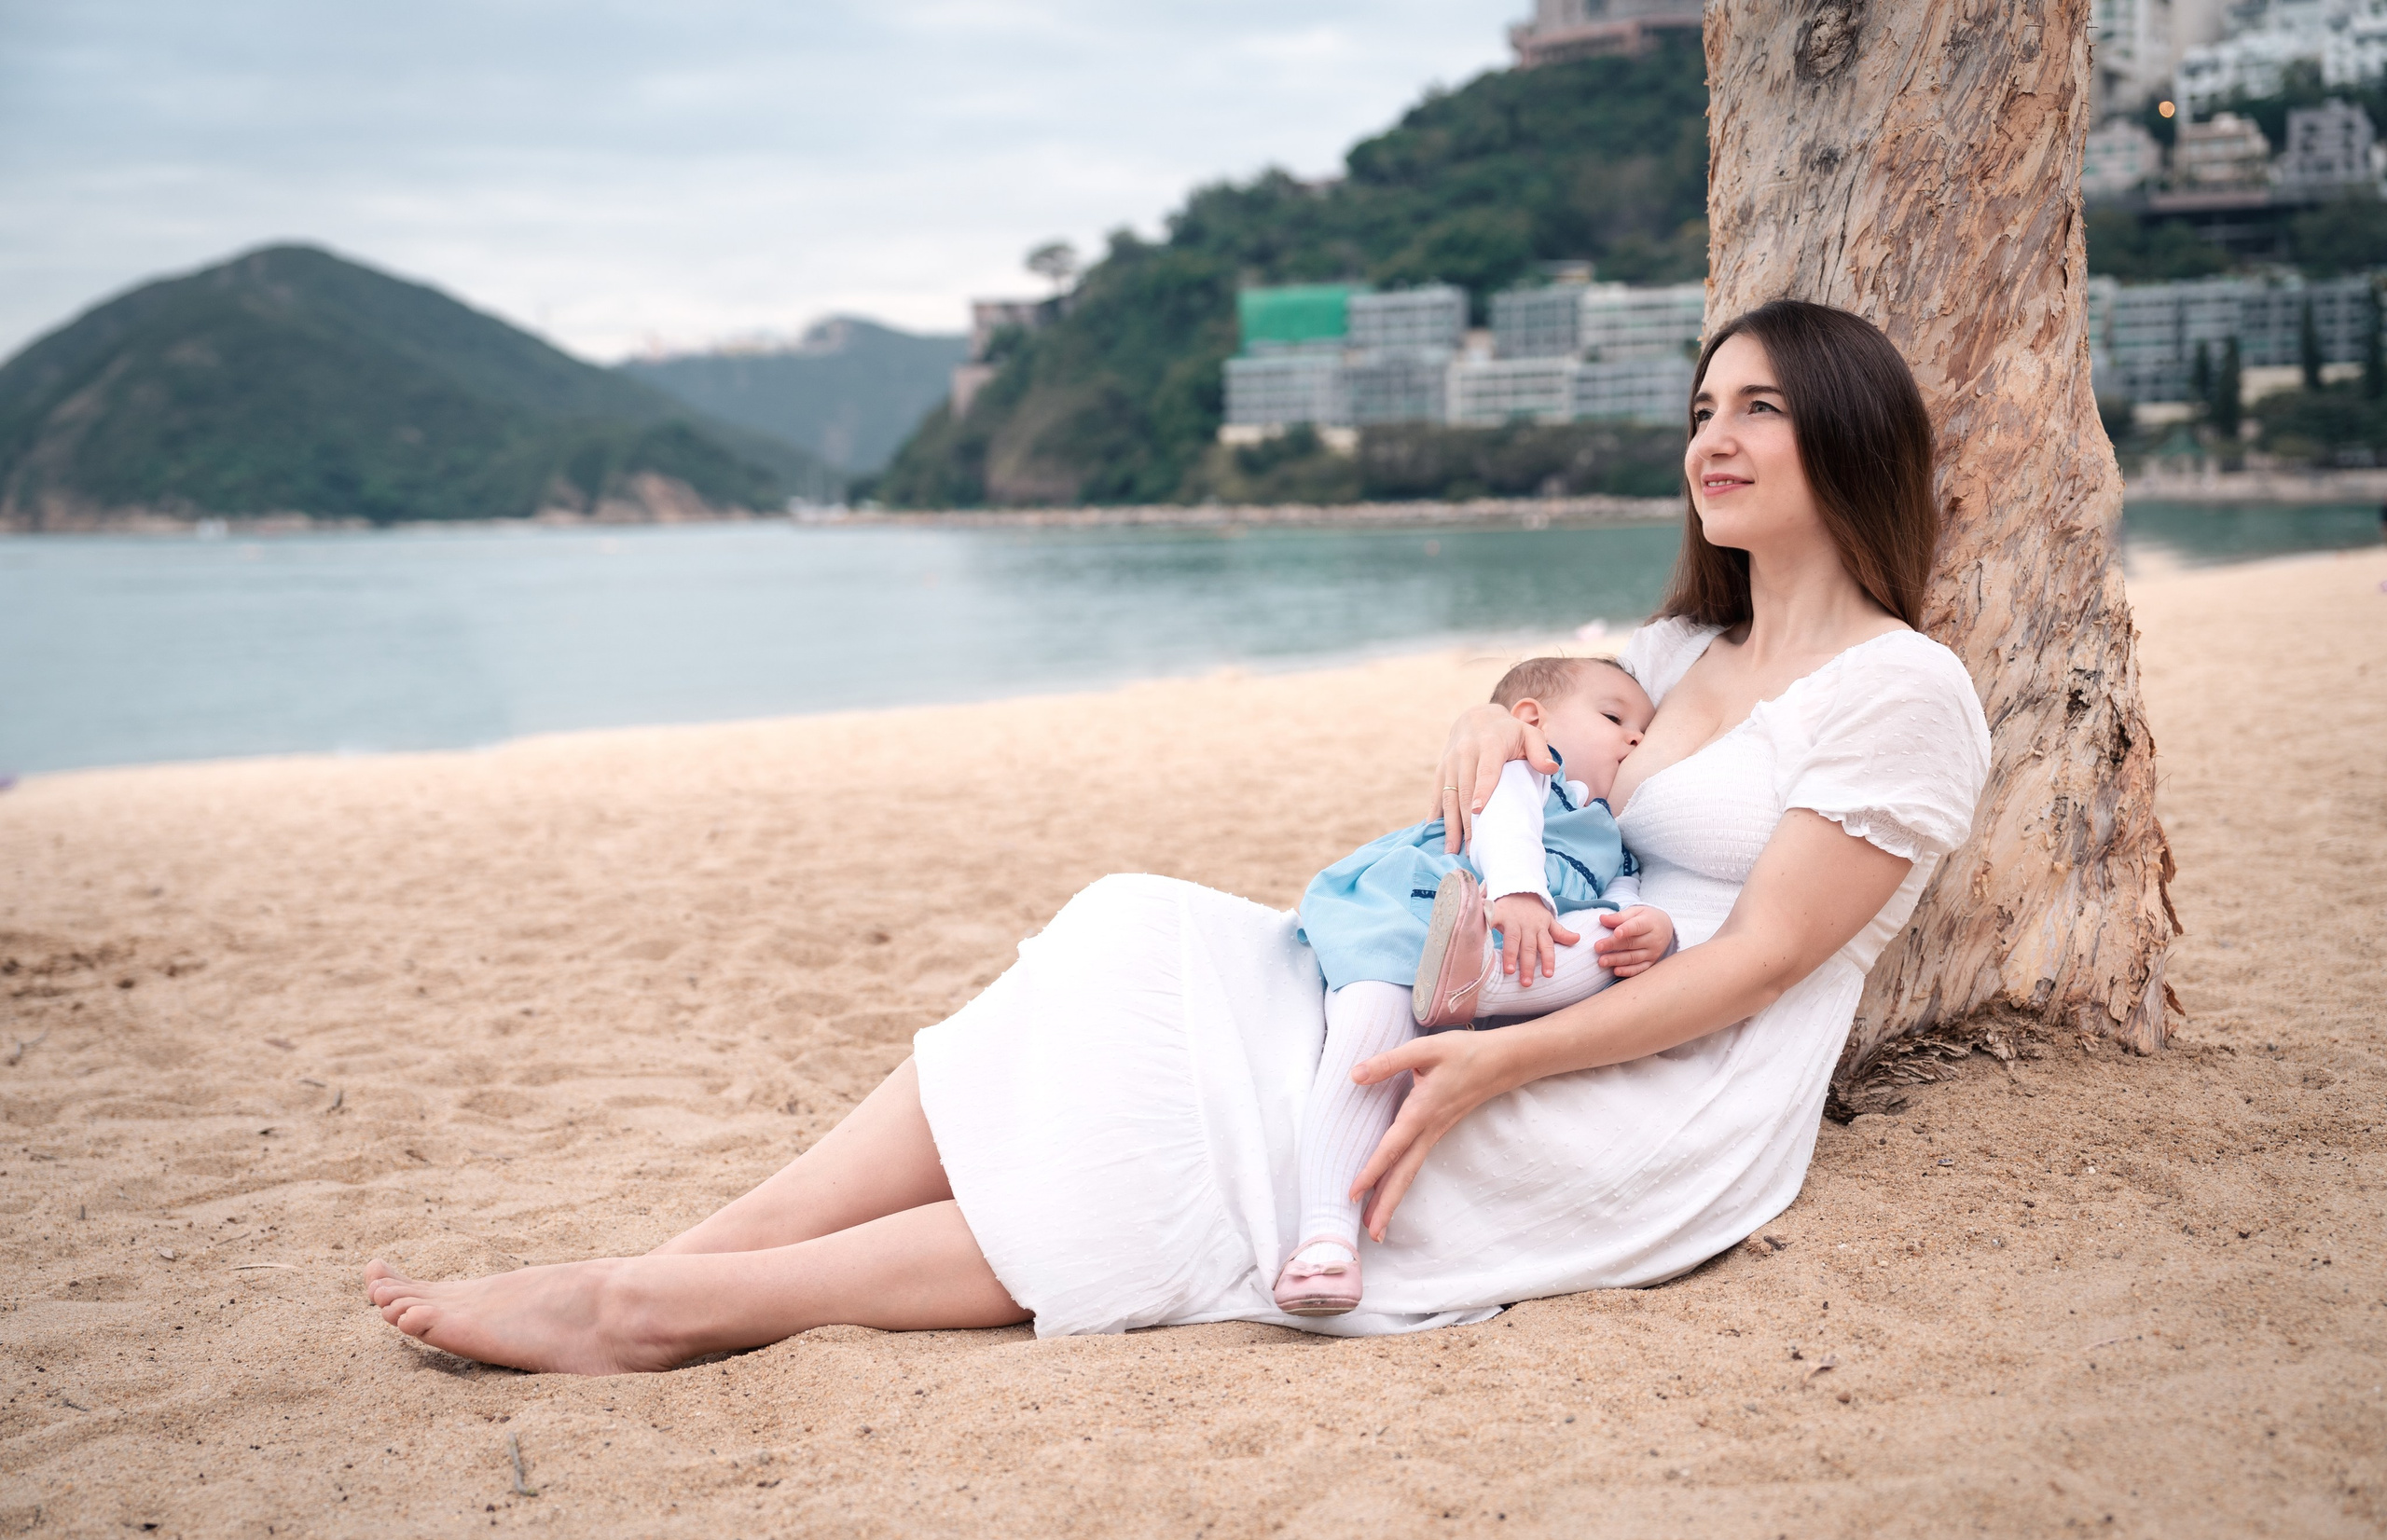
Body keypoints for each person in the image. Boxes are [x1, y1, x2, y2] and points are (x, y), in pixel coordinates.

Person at [363, 299, 1992, 1371]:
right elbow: (1526, 746)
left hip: (1643, 1075)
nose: (1712, 435)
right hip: (1499, 979)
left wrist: (1501, 1063)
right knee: (1136, 932)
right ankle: (670, 1259)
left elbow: (1767, 961)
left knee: (1219, 1133)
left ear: (1847, 436)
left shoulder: (1902, 692)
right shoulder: (1671, 653)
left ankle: (661, 1310)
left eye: (1760, 407)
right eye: (1703, 404)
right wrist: (1480, 724)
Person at [1275, 654, 1676, 1316]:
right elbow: (1504, 824)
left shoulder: (1612, 838)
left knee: (1612, 948)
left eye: (1646, 731)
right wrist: (1520, 891)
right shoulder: (1525, 768)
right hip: (1424, 907)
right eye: (1614, 718)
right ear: (1530, 721)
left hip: (1499, 955)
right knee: (1368, 1040)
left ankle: (1473, 986)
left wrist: (1652, 925)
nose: (1636, 739)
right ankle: (1324, 1238)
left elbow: (1622, 900)